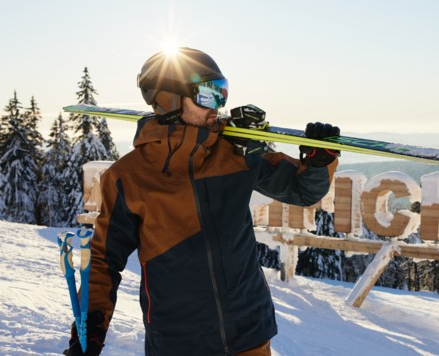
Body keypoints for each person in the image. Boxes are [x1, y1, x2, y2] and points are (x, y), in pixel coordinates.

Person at [64, 47, 340, 355]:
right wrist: (90, 330)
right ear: (168, 99)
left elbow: (303, 191)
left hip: (250, 335)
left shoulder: (234, 153)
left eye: (222, 94)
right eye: (208, 95)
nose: (218, 107)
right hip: (178, 342)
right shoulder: (129, 177)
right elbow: (103, 260)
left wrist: (318, 162)